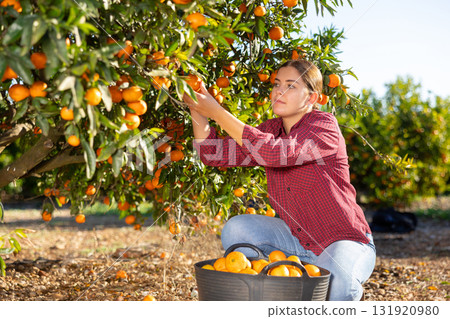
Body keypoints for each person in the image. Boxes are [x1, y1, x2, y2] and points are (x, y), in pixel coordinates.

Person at [183, 59, 376, 301]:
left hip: (342, 239)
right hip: (296, 241)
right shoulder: (270, 129)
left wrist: (217, 112)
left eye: (290, 85)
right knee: (238, 227)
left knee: (336, 287)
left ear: (312, 98)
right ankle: (274, 290)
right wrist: (196, 106)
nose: (279, 91)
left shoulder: (324, 126)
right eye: (276, 84)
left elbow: (275, 152)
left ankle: (347, 288)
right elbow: (212, 153)